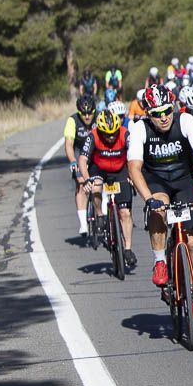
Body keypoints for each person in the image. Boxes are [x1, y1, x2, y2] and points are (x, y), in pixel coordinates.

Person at [127, 85, 193, 320]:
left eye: (167, 111)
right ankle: (160, 262)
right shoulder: (139, 129)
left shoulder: (185, 121)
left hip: (183, 182)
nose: (163, 117)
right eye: (156, 113)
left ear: (173, 107)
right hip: (156, 182)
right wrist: (148, 199)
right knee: (158, 209)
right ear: (147, 113)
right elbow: (134, 168)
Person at [77, 110, 136, 268]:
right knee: (95, 187)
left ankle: (128, 249)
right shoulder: (93, 136)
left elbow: (135, 155)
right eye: (106, 134)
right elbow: (83, 159)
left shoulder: (125, 134)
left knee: (125, 213)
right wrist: (87, 178)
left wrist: (134, 175)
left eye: (113, 134)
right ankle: (100, 213)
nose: (110, 137)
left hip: (120, 170)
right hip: (99, 168)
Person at [65, 96, 98, 237]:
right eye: (83, 113)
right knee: (81, 186)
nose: (87, 116)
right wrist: (73, 161)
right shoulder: (72, 121)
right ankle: (83, 224)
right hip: (80, 154)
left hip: (96, 153)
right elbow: (69, 145)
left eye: (89, 113)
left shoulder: (99, 117)